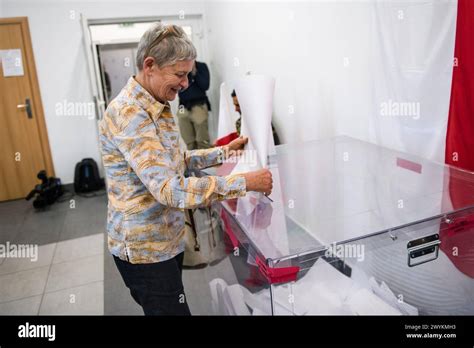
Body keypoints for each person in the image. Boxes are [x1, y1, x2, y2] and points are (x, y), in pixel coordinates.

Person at [98, 23, 273, 316]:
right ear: (150, 65)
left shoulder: (157, 102)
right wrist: (244, 182)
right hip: (146, 252)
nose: (185, 84)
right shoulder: (130, 114)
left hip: (167, 240)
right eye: (179, 74)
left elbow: (177, 160)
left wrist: (225, 151)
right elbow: (169, 189)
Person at [177, 61, 212, 150]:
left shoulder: (201, 66)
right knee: (188, 140)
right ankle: (193, 161)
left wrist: (194, 72)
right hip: (182, 106)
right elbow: (178, 87)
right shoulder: (178, 69)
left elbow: (205, 85)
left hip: (198, 104)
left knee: (202, 140)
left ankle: (206, 161)